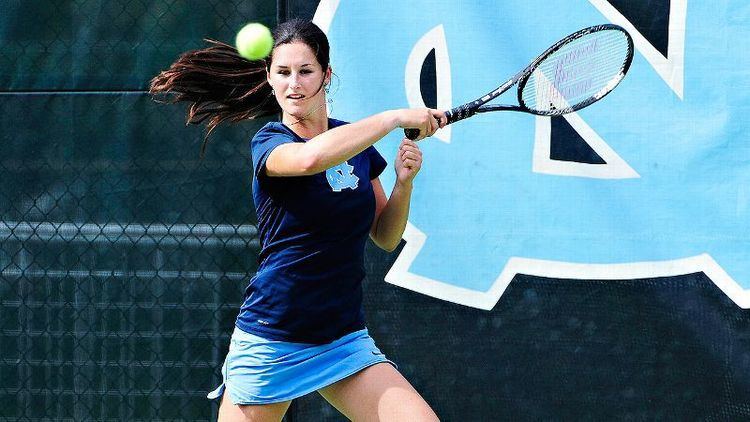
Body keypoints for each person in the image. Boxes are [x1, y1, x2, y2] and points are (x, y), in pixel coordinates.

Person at [150, 18, 444, 422]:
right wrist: (392, 118)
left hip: (342, 340)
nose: (294, 84)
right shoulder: (270, 143)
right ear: (269, 77)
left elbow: (385, 236)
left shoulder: (355, 145)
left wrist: (403, 186)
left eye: (305, 71)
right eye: (283, 72)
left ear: (326, 75)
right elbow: (310, 158)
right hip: (273, 338)